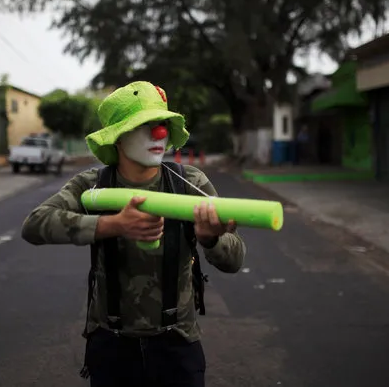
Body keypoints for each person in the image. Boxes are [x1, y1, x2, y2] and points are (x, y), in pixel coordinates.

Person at [21, 81, 246, 387]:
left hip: (176, 344)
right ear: (117, 137)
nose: (159, 134)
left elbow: (234, 259)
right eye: (145, 125)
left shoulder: (190, 181)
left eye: (162, 123)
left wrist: (210, 238)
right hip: (112, 345)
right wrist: (111, 225)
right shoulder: (92, 185)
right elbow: (35, 224)